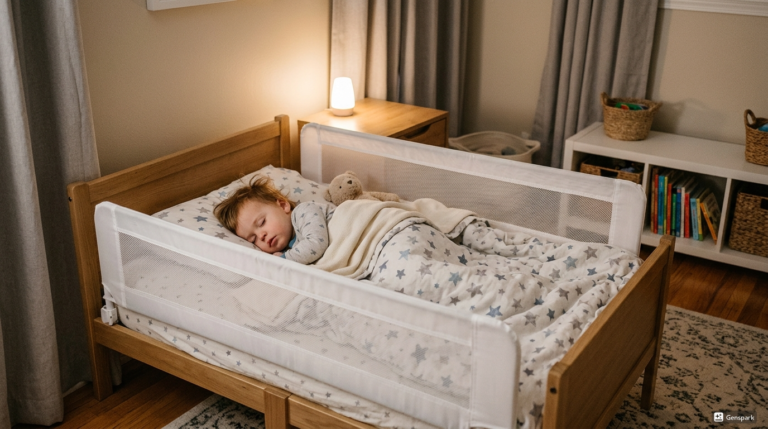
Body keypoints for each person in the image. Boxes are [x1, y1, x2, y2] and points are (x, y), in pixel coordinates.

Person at [214, 176, 334, 264]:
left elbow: (316, 244)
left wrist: (283, 260)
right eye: (253, 239)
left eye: (262, 222)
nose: (261, 236)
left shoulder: (304, 211)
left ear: (283, 206)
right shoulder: (291, 247)